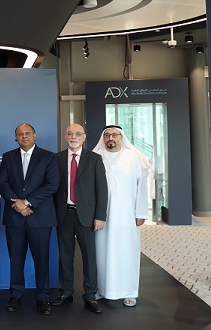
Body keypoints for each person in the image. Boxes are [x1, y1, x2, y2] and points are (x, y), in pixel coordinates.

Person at [0, 123, 59, 315]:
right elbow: (2, 183)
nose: (24, 136)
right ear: (16, 137)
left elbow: (52, 185)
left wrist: (27, 202)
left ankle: (43, 297)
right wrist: (17, 204)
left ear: (34, 135)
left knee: (42, 260)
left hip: (39, 217)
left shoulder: (48, 157)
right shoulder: (8, 156)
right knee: (16, 260)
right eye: (20, 134)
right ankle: (15, 295)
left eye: (27, 133)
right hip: (15, 218)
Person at [52, 123, 108, 314]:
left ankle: (90, 295)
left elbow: (102, 190)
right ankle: (65, 292)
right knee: (65, 256)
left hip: (87, 216)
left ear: (84, 137)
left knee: (89, 257)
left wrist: (100, 216)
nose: (73, 137)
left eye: (77, 134)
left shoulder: (94, 158)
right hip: (64, 214)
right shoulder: (57, 158)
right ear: (65, 137)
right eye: (70, 134)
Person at [92, 125, 150, 307]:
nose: (111, 138)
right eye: (107, 135)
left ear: (121, 137)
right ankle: (102, 290)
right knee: (101, 253)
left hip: (126, 214)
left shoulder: (133, 157)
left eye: (114, 135)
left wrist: (141, 212)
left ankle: (129, 292)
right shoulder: (95, 156)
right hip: (101, 215)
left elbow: (141, 187)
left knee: (127, 252)